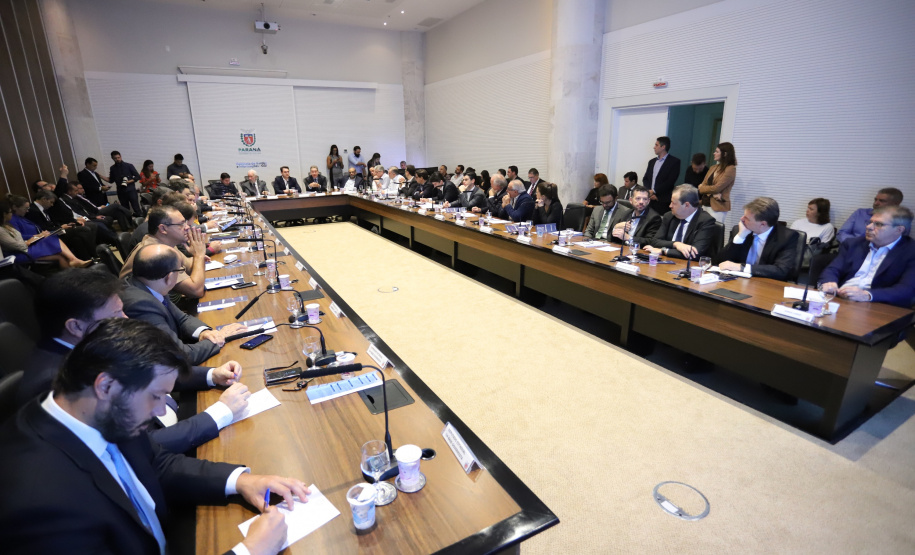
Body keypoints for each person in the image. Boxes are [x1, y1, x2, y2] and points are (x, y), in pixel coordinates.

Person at [0, 318, 305, 555]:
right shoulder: (38, 503)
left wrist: (240, 481)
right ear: (105, 386)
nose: (160, 409)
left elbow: (156, 464)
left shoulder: (98, 411)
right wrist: (250, 551)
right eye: (156, 396)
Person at [16, 269, 247, 453]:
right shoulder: (56, 386)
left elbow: (147, 374)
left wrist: (210, 375)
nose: (126, 320)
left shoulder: (85, 344)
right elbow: (138, 449)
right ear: (75, 326)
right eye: (116, 315)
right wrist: (221, 413)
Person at [120, 245, 245, 365]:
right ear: (169, 277)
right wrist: (219, 338)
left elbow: (181, 318)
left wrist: (203, 332)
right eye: (180, 271)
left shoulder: (149, 284)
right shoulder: (142, 305)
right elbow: (179, 355)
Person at [819, 206, 915, 307]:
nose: (869, 227)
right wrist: (829, 283)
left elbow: (906, 289)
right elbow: (832, 269)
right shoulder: (853, 244)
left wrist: (868, 295)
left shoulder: (911, 251)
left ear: (899, 230)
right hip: (841, 299)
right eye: (870, 222)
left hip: (878, 306)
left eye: (878, 224)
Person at [120, 205, 207, 299]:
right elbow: (196, 291)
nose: (187, 227)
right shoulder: (156, 253)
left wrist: (197, 258)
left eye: (185, 222)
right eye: (181, 224)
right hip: (147, 309)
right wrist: (199, 256)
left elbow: (189, 266)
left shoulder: (164, 242)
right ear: (163, 229)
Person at [716, 197, 800, 281]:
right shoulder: (740, 230)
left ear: (763, 224)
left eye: (747, 218)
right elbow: (719, 262)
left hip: (767, 285)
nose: (742, 219)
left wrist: (742, 267)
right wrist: (740, 237)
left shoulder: (787, 237)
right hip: (738, 282)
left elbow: (781, 270)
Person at [0, 198, 91, 269]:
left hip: (28, 247)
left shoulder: (8, 225)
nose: (11, 214)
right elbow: (18, 246)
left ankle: (74, 262)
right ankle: (73, 267)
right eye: (9, 212)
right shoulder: (3, 228)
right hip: (20, 253)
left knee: (69, 241)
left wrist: (37, 237)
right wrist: (32, 239)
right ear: (4, 214)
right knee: (59, 248)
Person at [642, 184, 717, 260]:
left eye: (673, 203)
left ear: (686, 205)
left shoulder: (705, 221)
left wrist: (664, 251)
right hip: (666, 262)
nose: (670, 206)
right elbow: (655, 241)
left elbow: (695, 253)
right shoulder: (669, 216)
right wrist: (676, 244)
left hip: (692, 267)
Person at [24, 190, 97, 259]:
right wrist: (61, 227)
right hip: (49, 235)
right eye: (51, 202)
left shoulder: (43, 208)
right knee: (84, 229)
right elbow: (42, 228)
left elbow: (53, 222)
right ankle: (95, 254)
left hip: (55, 230)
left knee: (77, 239)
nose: (52, 205)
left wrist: (64, 225)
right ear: (44, 199)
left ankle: (88, 259)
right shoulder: (33, 210)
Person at [837, 187, 903, 243]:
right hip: (851, 249)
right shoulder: (860, 213)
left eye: (882, 201)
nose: (876, 203)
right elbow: (842, 234)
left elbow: (897, 242)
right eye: (875, 200)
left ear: (895, 204)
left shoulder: (900, 221)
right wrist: (858, 245)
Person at [697, 142, 737, 224]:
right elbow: (701, 186)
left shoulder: (730, 169)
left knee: (713, 231)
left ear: (725, 154)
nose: (714, 153)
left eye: (717, 151)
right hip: (705, 204)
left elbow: (717, 188)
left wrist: (706, 189)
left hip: (718, 206)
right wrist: (711, 193)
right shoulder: (713, 167)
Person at [643, 136, 682, 215]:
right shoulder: (652, 162)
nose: (654, 147)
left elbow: (670, 181)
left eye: (656, 145)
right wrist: (649, 191)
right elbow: (645, 179)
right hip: (650, 199)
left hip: (663, 200)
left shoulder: (674, 162)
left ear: (663, 147)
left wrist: (654, 191)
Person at [109, 150, 143, 216]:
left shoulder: (129, 165)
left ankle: (140, 222)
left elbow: (137, 176)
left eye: (118, 157)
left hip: (131, 190)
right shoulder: (112, 168)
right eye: (115, 158)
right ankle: (129, 224)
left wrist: (128, 182)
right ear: (112, 158)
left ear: (121, 156)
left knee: (136, 208)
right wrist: (100, 176)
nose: (117, 159)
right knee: (125, 209)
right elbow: (111, 180)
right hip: (121, 191)